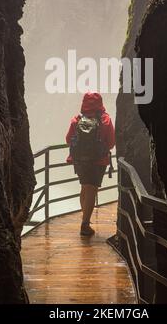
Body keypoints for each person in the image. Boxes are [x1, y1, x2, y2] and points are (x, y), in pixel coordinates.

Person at [66, 92, 115, 236]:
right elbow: (111, 143)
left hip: (80, 161)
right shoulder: (105, 120)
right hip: (98, 161)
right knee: (92, 190)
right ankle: (85, 224)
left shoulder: (77, 120)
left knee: (84, 188)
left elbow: (69, 139)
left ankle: (85, 219)